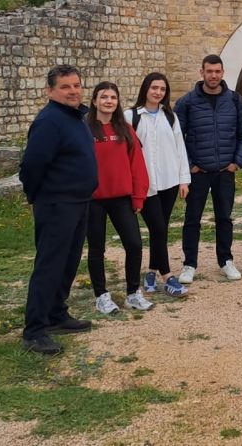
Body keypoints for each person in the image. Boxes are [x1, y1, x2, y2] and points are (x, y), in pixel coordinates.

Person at [20, 65, 99, 355]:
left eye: (76, 85)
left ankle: (56, 314)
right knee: (49, 266)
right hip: (57, 204)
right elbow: (32, 165)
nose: (73, 91)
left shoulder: (75, 117)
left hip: (78, 202)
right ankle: (34, 331)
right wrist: (38, 195)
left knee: (67, 263)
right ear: (50, 91)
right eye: (66, 87)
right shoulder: (49, 121)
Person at [174, 54, 242, 284]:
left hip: (225, 172)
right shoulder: (186, 102)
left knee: (224, 218)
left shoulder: (235, 100)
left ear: (222, 73)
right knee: (192, 219)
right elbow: (177, 138)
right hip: (199, 172)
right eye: (209, 71)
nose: (213, 75)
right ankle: (189, 264)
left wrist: (236, 162)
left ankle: (226, 260)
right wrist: (189, 166)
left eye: (217, 71)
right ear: (202, 73)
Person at [86, 81, 152, 314]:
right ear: (94, 101)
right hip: (93, 199)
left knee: (134, 244)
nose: (108, 101)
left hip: (121, 198)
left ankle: (133, 293)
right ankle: (101, 295)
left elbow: (137, 164)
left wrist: (138, 196)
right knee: (96, 248)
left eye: (113, 97)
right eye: (103, 97)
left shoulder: (124, 129)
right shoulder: (84, 128)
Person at [125, 73, 191, 297]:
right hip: (146, 185)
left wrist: (184, 179)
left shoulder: (170, 117)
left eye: (162, 89)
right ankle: (168, 276)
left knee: (159, 230)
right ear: (145, 88)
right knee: (159, 228)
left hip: (169, 181)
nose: (158, 92)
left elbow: (180, 147)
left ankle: (151, 270)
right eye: (154, 88)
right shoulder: (130, 116)